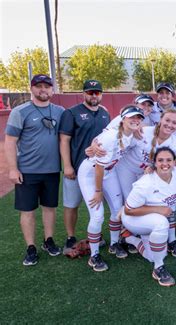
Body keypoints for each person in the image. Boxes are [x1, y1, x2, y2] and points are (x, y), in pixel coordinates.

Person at [5, 74, 65, 266]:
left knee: (50, 207)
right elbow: (10, 142)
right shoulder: (20, 111)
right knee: (28, 210)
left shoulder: (60, 111)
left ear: (52, 90)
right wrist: (13, 169)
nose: (43, 90)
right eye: (38, 86)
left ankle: (48, 241)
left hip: (52, 170)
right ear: (31, 88)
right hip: (28, 170)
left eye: (47, 87)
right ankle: (30, 247)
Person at [77, 105, 144, 272]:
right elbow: (98, 168)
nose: (135, 120)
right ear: (123, 120)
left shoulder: (131, 134)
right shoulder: (112, 136)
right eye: (132, 117)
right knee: (97, 215)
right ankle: (94, 256)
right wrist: (98, 192)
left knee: (117, 210)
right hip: (91, 174)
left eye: (138, 117)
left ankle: (114, 244)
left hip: (109, 171)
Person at [59, 80, 110, 253]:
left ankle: (96, 235)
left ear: (101, 94)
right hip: (76, 165)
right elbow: (64, 140)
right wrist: (67, 165)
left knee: (95, 204)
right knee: (72, 204)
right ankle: (70, 237)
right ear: (83, 94)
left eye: (97, 92)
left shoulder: (104, 113)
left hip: (97, 169)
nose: (93, 96)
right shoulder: (71, 113)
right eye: (90, 92)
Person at [122, 147, 176, 286]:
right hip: (134, 218)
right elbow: (129, 210)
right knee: (161, 223)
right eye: (160, 160)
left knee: (152, 256)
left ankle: (129, 239)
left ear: (174, 162)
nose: (165, 163)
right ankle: (158, 268)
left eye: (169, 160)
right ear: (154, 163)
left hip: (150, 219)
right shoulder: (146, 183)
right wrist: (158, 209)